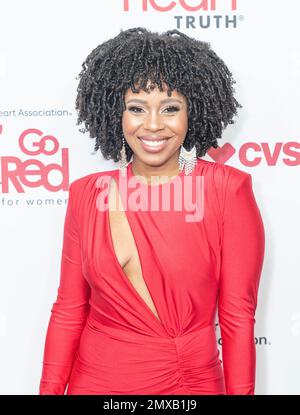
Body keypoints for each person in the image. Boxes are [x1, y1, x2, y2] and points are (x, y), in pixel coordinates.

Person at [39, 27, 265, 395]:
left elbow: (238, 318)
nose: (154, 124)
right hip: (94, 382)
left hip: (188, 385)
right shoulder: (85, 194)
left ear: (194, 111)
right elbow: (68, 309)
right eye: (137, 108)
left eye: (171, 108)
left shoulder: (227, 190)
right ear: (117, 114)